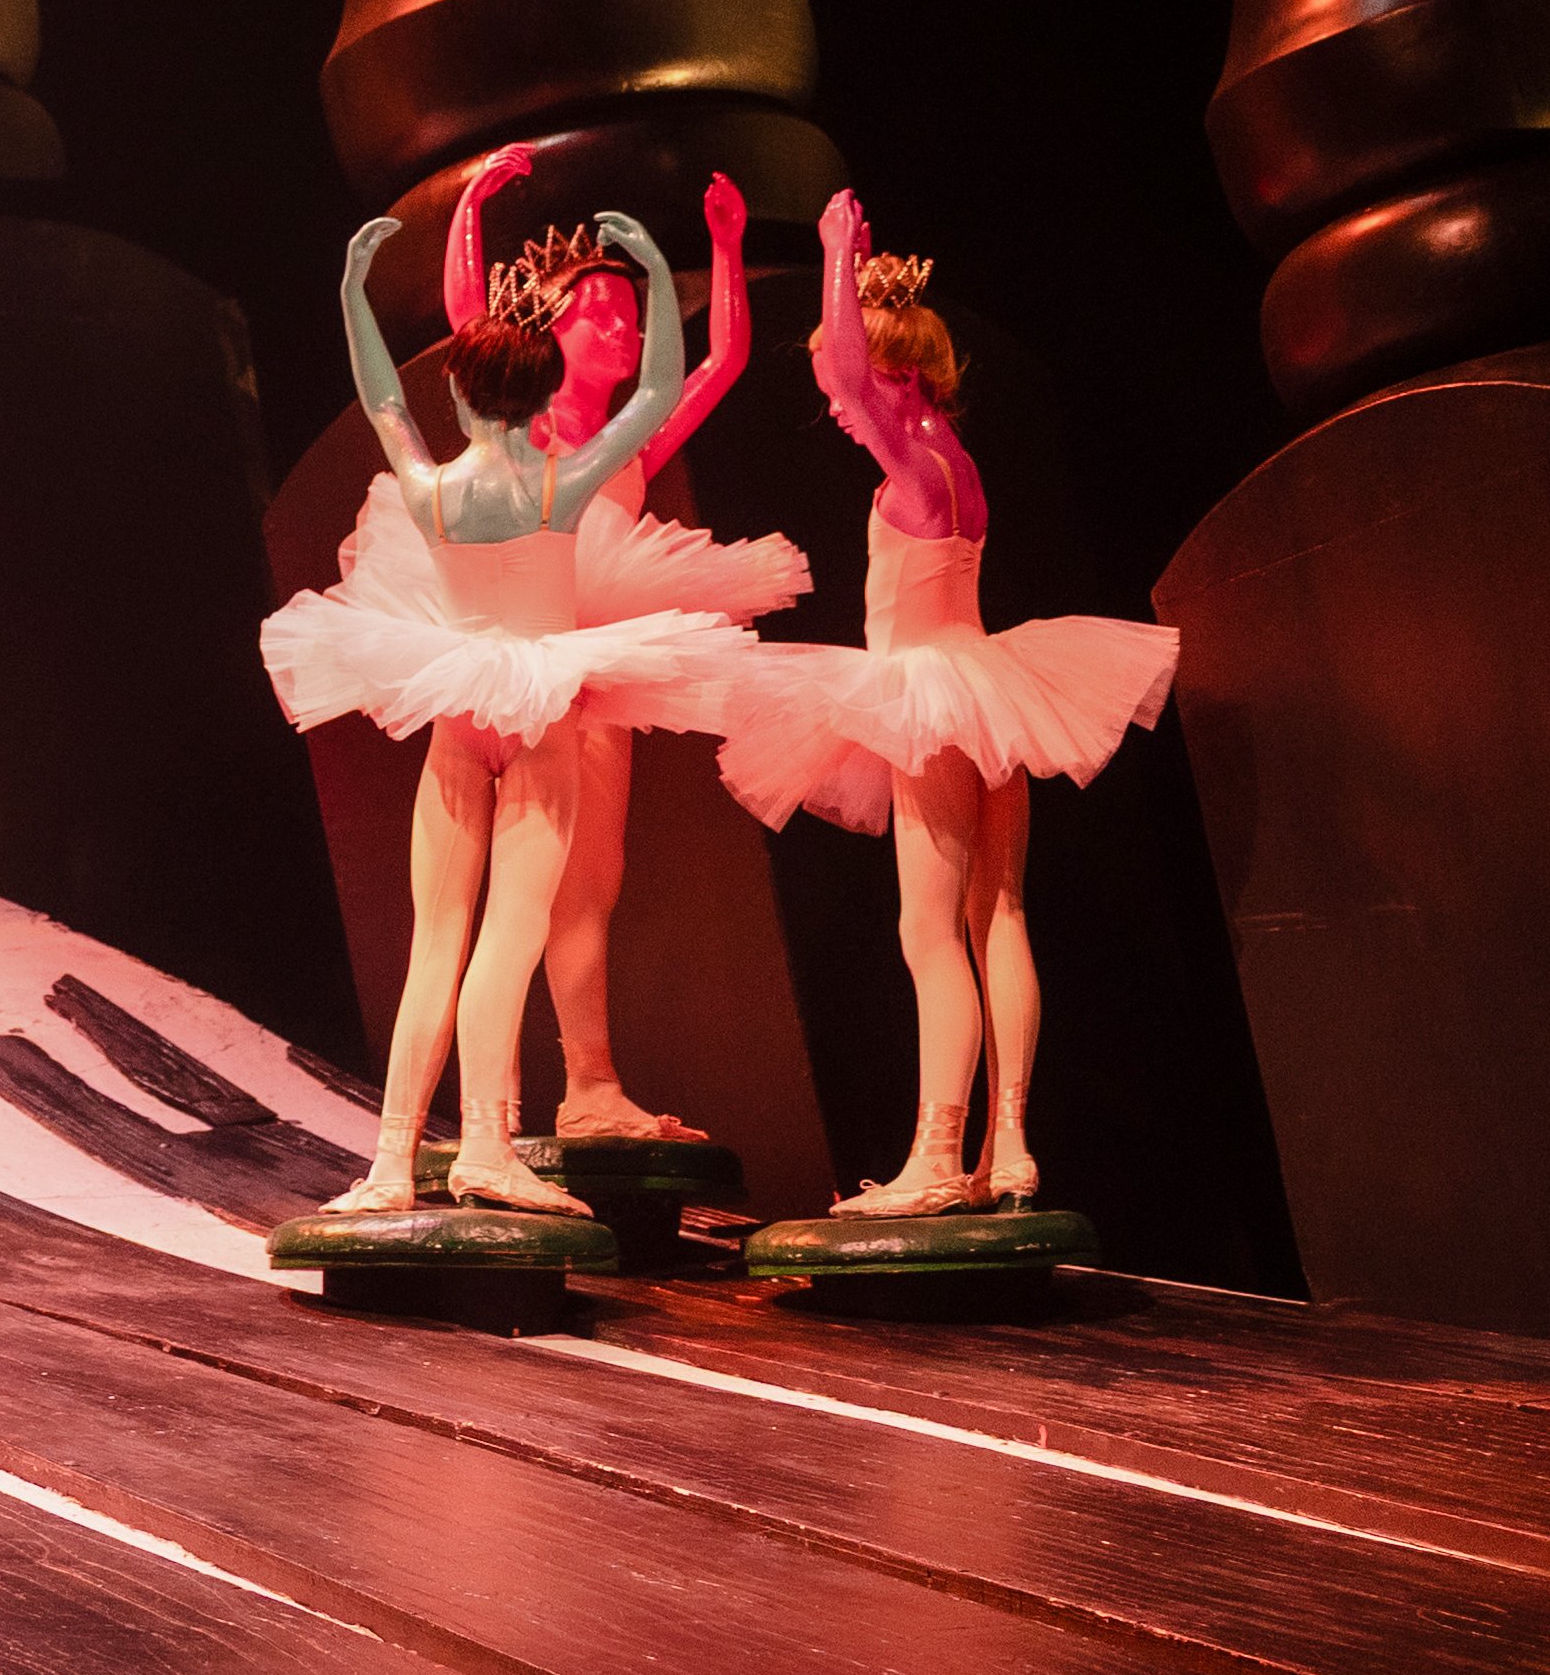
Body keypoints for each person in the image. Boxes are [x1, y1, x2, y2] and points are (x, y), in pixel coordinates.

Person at [257, 211, 797, 1215]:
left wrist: (352, 290)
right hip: (542, 716)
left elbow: (381, 394)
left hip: (461, 713)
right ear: (543, 389)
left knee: (436, 942)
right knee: (508, 933)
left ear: (457, 392)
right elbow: (657, 399)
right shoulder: (568, 479)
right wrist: (648, 264)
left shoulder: (426, 485)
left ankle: (387, 1166)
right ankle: (487, 1148)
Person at [716, 191, 1181, 1214]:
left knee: (928, 932)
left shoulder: (912, 465)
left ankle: (936, 1157)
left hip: (929, 696)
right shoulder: (954, 463)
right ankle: (1005, 1145)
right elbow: (846, 372)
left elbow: (843, 369)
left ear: (897, 374)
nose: (835, 402)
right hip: (989, 689)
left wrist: (837, 256)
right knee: (998, 913)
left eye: (849, 387)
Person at [436, 151, 754, 1149]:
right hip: (511, 667)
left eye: (630, 314)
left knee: (592, 875)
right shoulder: (526, 435)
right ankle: (488, 1107)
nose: (619, 328)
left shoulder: (631, 444)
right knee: (488, 895)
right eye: (599, 313)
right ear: (550, 326)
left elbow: (718, 365)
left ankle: (589, 1083)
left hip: (595, 674)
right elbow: (464, 324)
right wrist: (469, 209)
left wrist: (727, 251)